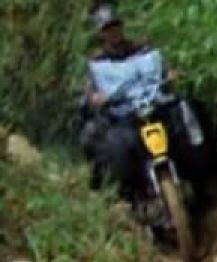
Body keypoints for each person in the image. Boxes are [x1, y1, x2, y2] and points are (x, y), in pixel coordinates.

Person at [79, 4, 206, 198]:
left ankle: (202, 181)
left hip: (154, 106)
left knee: (186, 117)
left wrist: (170, 75)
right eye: (107, 29)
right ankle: (132, 195)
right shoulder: (98, 64)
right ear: (102, 34)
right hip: (125, 117)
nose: (113, 33)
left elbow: (163, 69)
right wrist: (95, 98)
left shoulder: (143, 50)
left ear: (121, 27)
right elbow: (90, 93)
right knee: (116, 146)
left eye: (115, 27)